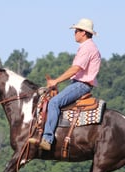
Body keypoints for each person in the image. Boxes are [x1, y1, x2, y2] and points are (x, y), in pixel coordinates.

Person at [29, 18, 101, 150]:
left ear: (83, 33)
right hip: (79, 83)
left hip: (81, 85)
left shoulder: (87, 48)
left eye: (76, 31)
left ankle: (47, 139)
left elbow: (75, 69)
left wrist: (56, 81)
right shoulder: (88, 47)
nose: (74, 33)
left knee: (54, 103)